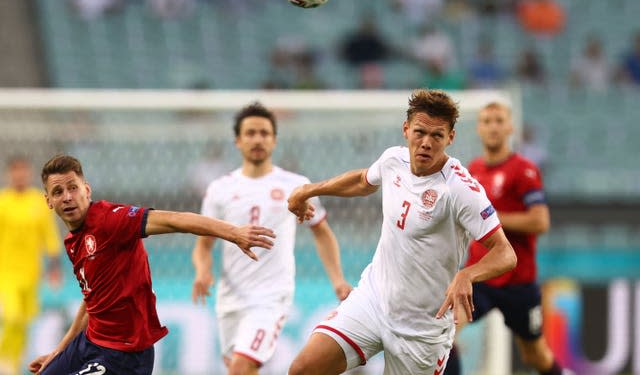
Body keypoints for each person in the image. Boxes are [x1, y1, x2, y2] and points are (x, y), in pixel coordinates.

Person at [286, 89, 517, 375]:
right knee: (303, 369)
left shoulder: (460, 189)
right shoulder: (393, 160)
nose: (426, 143)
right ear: (406, 129)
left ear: (451, 138)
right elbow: (362, 181)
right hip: (373, 300)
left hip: (422, 327)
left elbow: (506, 253)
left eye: (437, 136)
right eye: (420, 132)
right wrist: (310, 189)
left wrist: (467, 274)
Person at [28, 154, 276, 375]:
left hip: (124, 355)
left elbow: (175, 220)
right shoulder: (74, 240)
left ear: (87, 190)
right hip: (90, 342)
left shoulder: (111, 221)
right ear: (48, 200)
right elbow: (92, 298)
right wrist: (58, 353)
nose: (68, 197)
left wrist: (233, 233)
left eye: (73, 188)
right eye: (58, 192)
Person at [192, 102, 352, 375]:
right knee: (241, 369)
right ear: (238, 141)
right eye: (251, 133)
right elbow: (203, 245)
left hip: (271, 296)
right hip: (230, 297)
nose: (258, 139)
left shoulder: (296, 185)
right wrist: (203, 271)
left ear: (274, 140)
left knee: (241, 368)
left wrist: (338, 280)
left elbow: (321, 231)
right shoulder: (220, 189)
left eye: (264, 133)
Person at [443, 102, 572, 375]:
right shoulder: (472, 171)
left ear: (510, 127)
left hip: (518, 280)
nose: (493, 127)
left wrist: (492, 217)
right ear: (478, 128)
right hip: (480, 277)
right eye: (487, 121)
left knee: (534, 354)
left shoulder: (523, 170)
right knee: (443, 333)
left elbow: (540, 221)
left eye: (499, 120)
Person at [0, 156, 62, 375]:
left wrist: (55, 267)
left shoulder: (38, 202)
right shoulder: (3, 202)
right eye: (15, 171)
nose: (20, 176)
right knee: (12, 316)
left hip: (31, 274)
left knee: (24, 322)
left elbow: (50, 236)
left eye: (23, 171)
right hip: (5, 274)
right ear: (9, 174)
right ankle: (4, 360)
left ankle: (11, 368)